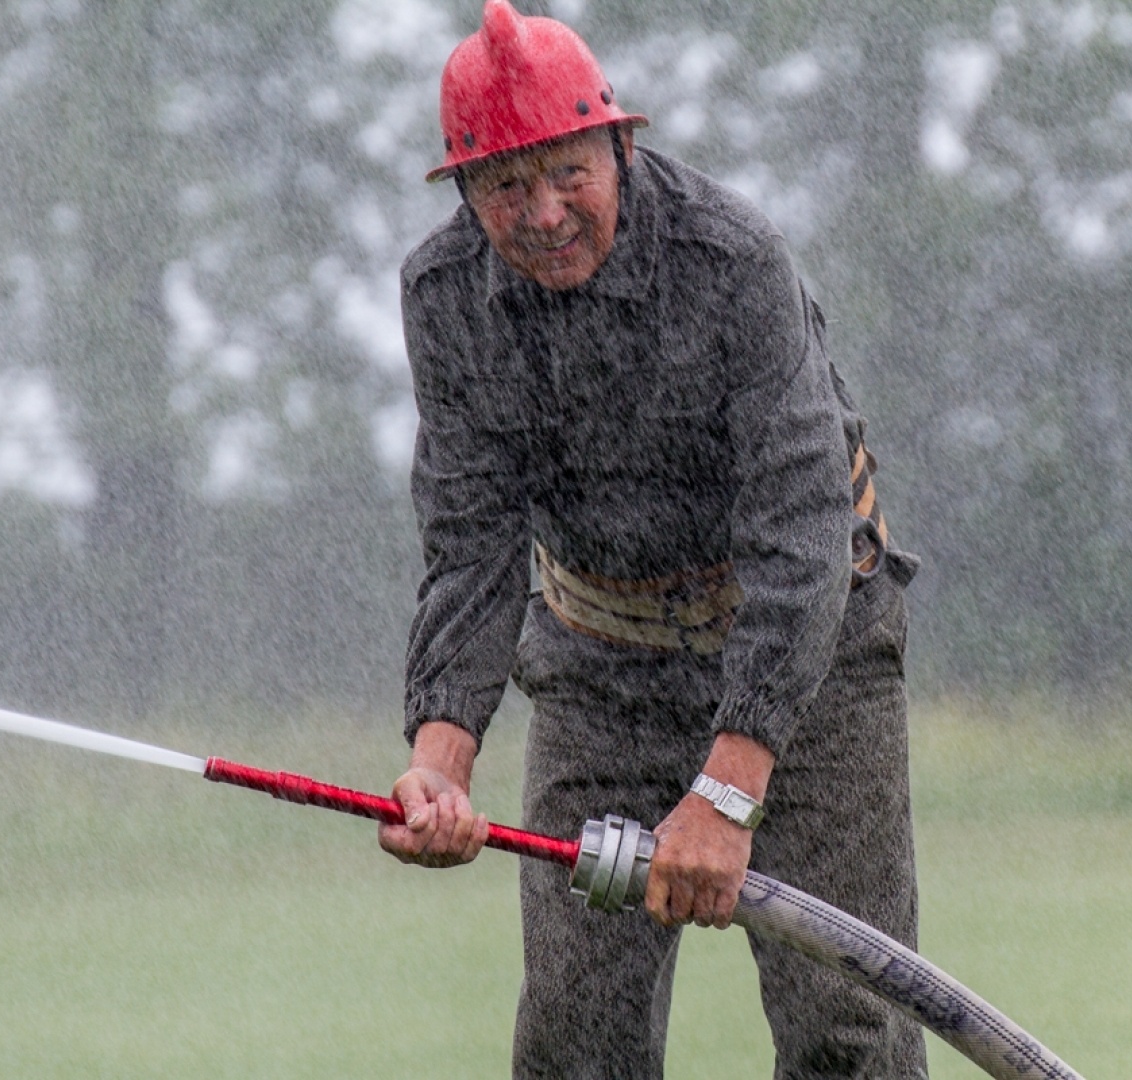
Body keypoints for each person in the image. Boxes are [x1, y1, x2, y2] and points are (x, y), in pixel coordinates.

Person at [378, 2, 926, 1075]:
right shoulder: (441, 297)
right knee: (576, 1036)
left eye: (568, 171)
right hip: (602, 678)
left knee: (845, 1029)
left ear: (618, 142)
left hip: (813, 660)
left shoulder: (733, 262)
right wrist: (438, 765)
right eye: (504, 185)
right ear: (465, 191)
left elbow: (800, 533)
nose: (541, 212)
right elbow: (471, 539)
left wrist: (727, 792)